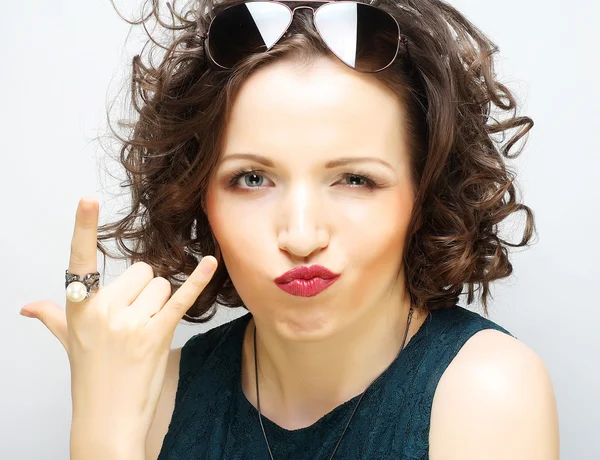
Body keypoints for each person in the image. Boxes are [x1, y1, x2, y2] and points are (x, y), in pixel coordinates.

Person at [20, 0, 559, 458]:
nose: (301, 236)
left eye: (354, 179)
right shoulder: (147, 395)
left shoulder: (487, 392)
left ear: (423, 195)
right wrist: (101, 424)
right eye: (252, 178)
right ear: (197, 195)